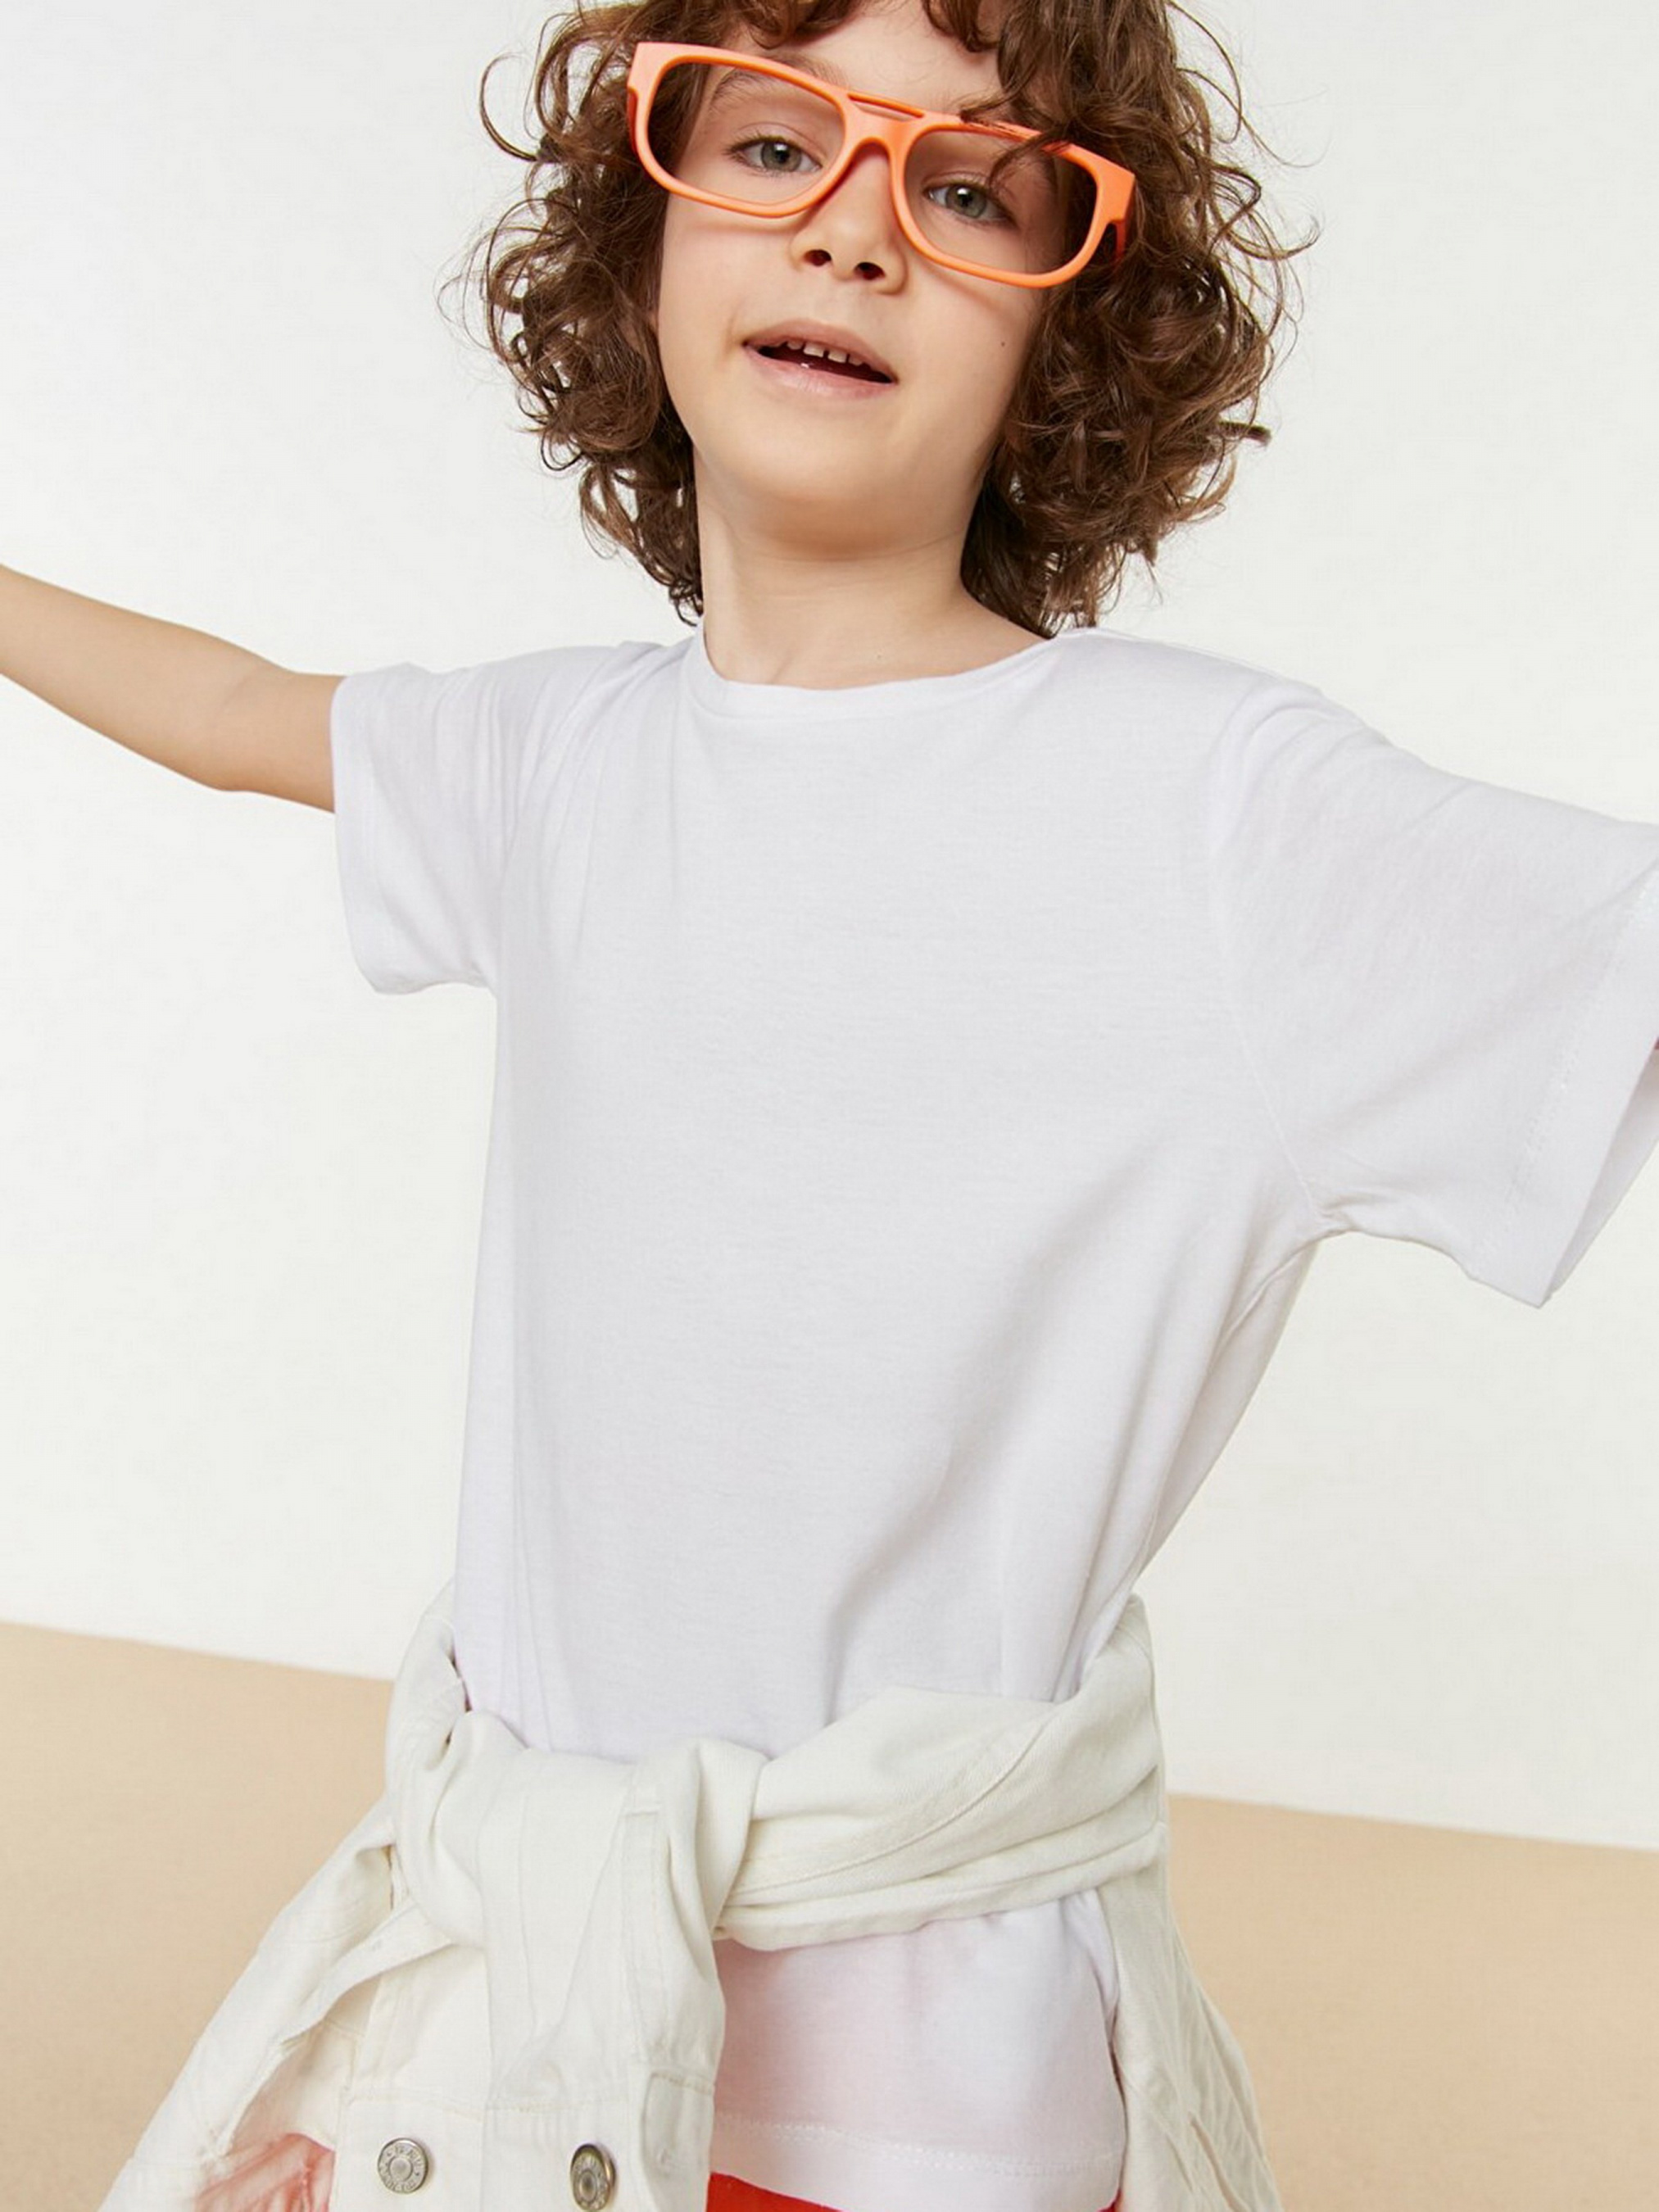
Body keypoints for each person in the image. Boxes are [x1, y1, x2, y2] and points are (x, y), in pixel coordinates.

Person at [10, 2, 1659, 2210]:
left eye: (970, 188)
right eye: (777, 144)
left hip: (914, 2102)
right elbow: (230, 708)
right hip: (512, 2011)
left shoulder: (1211, 809)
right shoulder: (563, 761)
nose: (857, 231)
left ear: (1072, 332)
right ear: (643, 244)